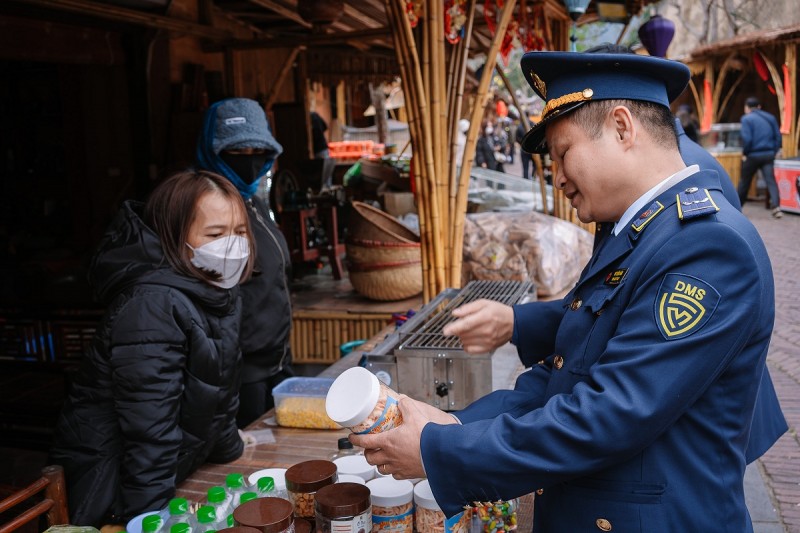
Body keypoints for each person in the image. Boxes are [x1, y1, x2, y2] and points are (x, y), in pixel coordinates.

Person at [351, 51, 780, 531]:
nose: (557, 177)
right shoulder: (637, 228)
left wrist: (439, 451)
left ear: (621, 128)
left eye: (562, 153)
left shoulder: (707, 244)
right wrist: (455, 427)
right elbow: (568, 369)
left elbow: (608, 413)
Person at [49, 170, 255, 527]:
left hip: (174, 471)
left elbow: (220, 387)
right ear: (174, 238)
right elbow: (149, 428)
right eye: (215, 234)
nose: (232, 245)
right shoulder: (152, 305)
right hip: (113, 487)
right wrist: (150, 517)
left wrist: (230, 450)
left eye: (239, 232)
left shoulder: (215, 288)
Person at [196, 98, 294, 428]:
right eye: (237, 153)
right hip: (241, 372)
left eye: (258, 153)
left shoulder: (251, 200)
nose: (250, 163)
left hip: (276, 359)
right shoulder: (203, 206)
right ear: (213, 150)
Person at [738, 96, 783, 218]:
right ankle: (776, 206)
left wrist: (745, 153)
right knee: (770, 181)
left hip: (752, 155)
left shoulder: (746, 119)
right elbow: (778, 137)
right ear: (759, 107)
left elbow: (747, 139)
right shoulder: (770, 117)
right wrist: (773, 151)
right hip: (768, 154)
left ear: (747, 108)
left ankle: (737, 207)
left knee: (744, 182)